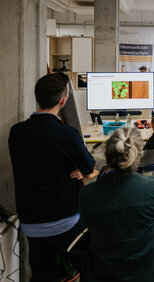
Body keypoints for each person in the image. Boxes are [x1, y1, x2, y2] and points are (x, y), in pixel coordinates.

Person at [8, 72, 95, 282]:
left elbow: (36, 164)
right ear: (64, 100)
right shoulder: (66, 134)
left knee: (42, 274)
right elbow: (89, 165)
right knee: (89, 267)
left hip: (31, 222)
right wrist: (77, 169)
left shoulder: (17, 132)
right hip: (65, 221)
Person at [79, 127, 154, 281]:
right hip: (145, 270)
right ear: (138, 154)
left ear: (105, 151)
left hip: (104, 271)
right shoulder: (151, 188)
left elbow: (85, 226)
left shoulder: (88, 193)